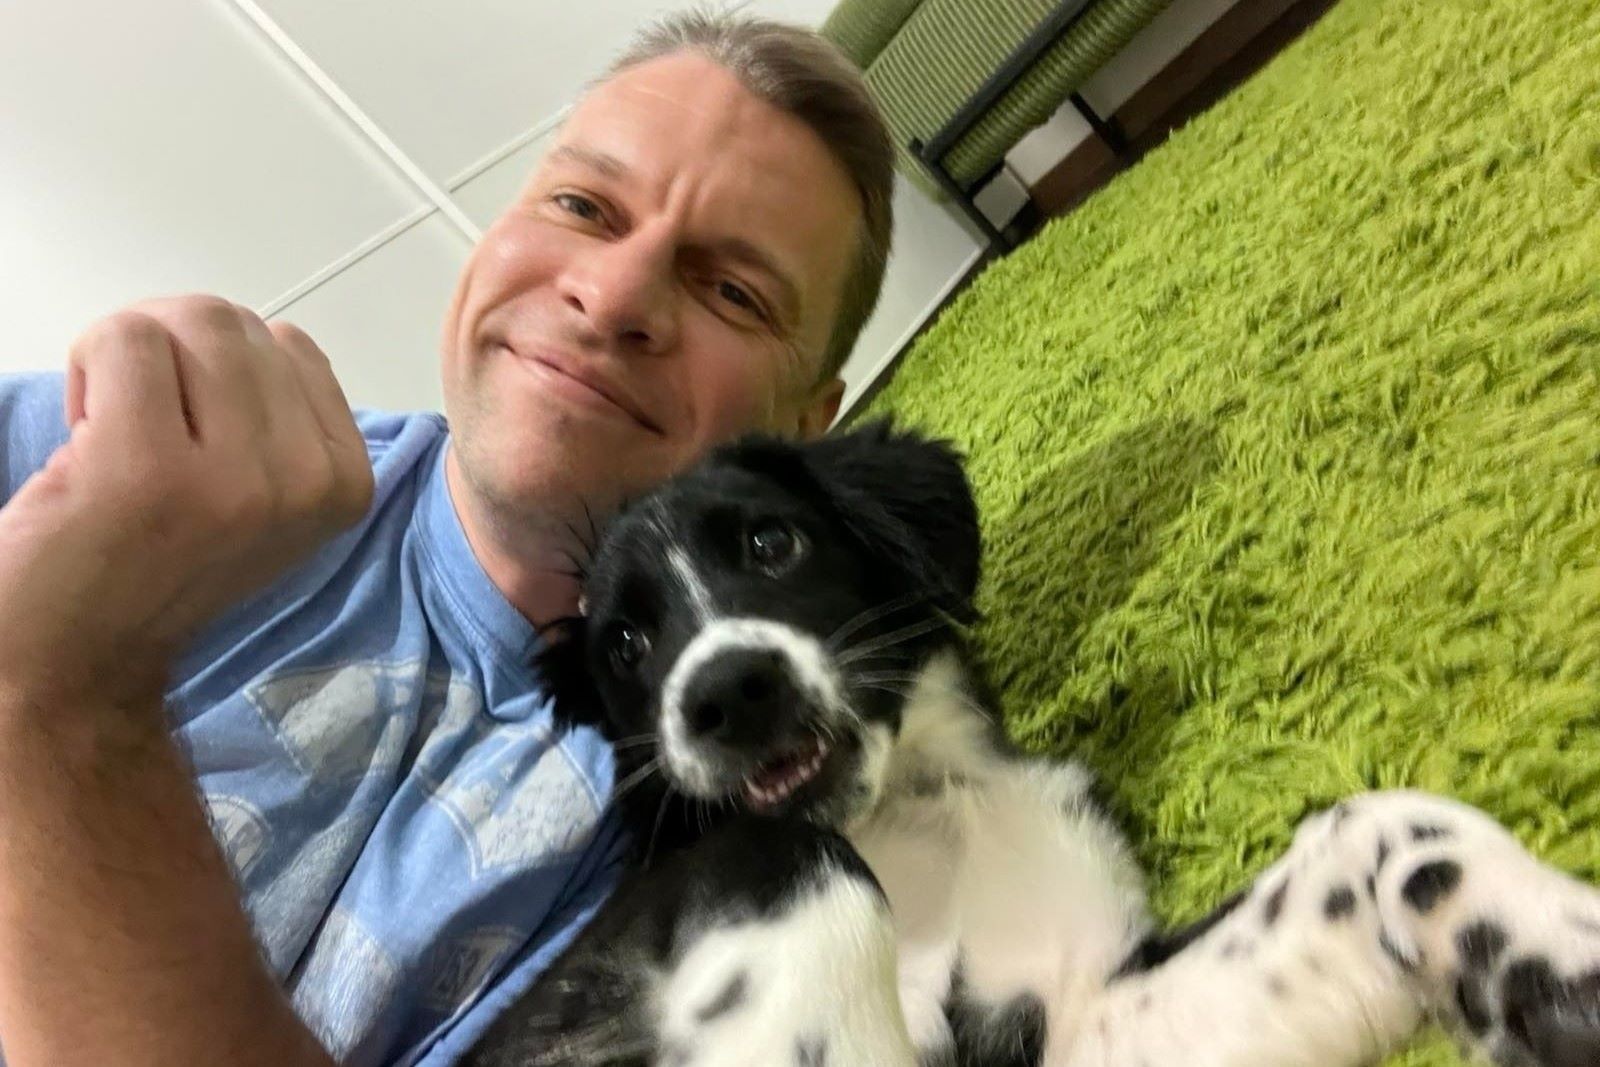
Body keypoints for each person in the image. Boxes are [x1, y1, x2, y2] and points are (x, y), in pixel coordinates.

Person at [0, 12, 895, 1066]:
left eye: (733, 291)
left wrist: (55, 702)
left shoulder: (697, 833)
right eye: (581, 206)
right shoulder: (144, 454)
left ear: (804, 425)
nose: (611, 295)